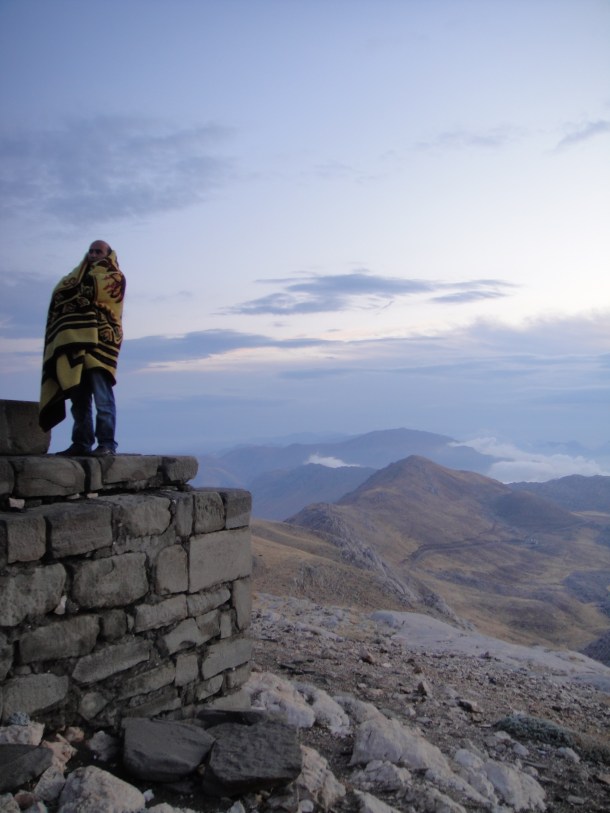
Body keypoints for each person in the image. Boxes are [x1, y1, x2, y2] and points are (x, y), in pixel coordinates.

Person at [39, 240, 126, 456]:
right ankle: (81, 442)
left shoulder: (115, 276)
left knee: (102, 396)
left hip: (101, 344)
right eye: (91, 251)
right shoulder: (75, 275)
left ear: (108, 254)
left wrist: (77, 301)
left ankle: (107, 443)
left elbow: (98, 297)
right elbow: (59, 294)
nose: (94, 254)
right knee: (79, 398)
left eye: (99, 251)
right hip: (74, 344)